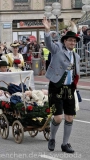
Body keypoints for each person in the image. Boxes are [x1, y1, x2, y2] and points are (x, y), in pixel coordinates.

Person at [42, 17, 80, 153]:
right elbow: (48, 44)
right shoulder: (57, 48)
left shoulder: (76, 57)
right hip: (56, 86)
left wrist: (75, 87)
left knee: (70, 117)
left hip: (69, 88)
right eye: (70, 40)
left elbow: (77, 73)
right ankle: (52, 138)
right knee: (58, 118)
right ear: (65, 41)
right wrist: (47, 30)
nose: (72, 42)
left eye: (74, 41)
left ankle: (65, 144)